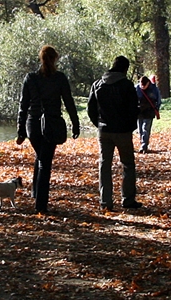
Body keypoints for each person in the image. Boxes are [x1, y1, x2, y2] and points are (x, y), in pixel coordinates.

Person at [16, 45, 80, 214]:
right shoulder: (59, 78)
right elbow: (69, 102)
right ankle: (41, 205)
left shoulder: (30, 78)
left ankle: (36, 193)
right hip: (51, 123)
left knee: (41, 156)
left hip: (33, 125)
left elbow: (23, 106)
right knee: (45, 162)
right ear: (55, 59)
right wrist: (75, 123)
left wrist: (21, 130)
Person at [88, 55, 141, 210]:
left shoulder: (98, 84)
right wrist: (130, 127)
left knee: (104, 165)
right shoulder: (127, 85)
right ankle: (128, 199)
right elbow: (133, 109)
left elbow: (91, 109)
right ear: (125, 69)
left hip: (104, 130)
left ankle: (105, 201)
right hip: (123, 131)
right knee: (128, 165)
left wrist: (98, 124)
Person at [136, 74, 162, 152]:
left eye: (144, 85)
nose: (142, 87)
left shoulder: (154, 89)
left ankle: (144, 146)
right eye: (141, 85)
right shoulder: (136, 88)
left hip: (149, 111)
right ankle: (142, 142)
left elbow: (158, 100)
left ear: (148, 83)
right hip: (139, 112)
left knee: (146, 129)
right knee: (140, 129)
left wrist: (156, 109)